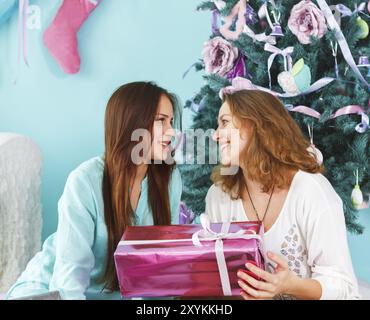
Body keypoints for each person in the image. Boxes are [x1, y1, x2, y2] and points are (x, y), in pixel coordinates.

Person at [6, 81, 183, 300]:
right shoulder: (85, 182)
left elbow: (164, 265)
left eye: (172, 121)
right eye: (161, 121)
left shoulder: (169, 179)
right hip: (53, 290)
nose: (172, 131)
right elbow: (68, 283)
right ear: (131, 124)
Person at [205, 80, 360, 300]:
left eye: (224, 122)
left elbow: (343, 287)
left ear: (256, 125)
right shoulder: (218, 197)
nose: (215, 135)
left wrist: (290, 285)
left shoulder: (311, 190)